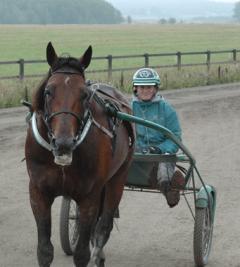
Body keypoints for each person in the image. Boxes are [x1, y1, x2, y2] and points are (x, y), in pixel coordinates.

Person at [131, 67, 185, 208]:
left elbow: (175, 137)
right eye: (142, 87)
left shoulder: (166, 109)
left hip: (161, 155)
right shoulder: (128, 108)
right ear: (135, 88)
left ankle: (170, 187)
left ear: (155, 88)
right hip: (135, 154)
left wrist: (159, 149)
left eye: (149, 87)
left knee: (163, 171)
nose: (145, 90)